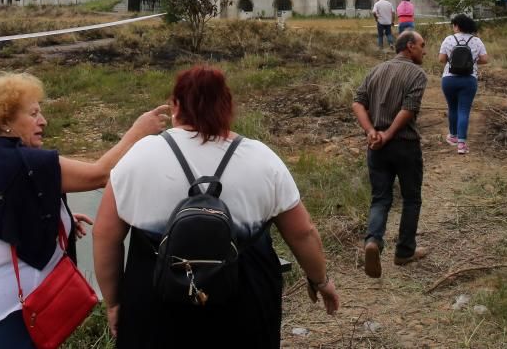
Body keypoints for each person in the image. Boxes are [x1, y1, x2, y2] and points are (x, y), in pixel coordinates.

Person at [93, 66, 338, 347]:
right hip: (243, 301)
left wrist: (114, 303)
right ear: (228, 106)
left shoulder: (139, 155)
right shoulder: (261, 158)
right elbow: (302, 232)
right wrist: (321, 281)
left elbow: (105, 236)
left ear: (175, 105)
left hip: (155, 298)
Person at [0, 73, 169, 348]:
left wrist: (58, 219)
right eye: (33, 113)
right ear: (5, 121)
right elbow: (100, 174)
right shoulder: (30, 163)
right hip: (9, 317)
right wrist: (138, 131)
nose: (43, 121)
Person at [352, 30, 428, 278]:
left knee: (380, 198)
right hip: (404, 145)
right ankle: (405, 251)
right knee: (411, 198)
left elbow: (357, 102)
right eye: (421, 46)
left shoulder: (376, 70)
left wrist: (372, 131)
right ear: (409, 46)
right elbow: (409, 109)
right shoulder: (417, 74)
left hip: (376, 147)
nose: (424, 51)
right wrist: (389, 133)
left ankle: (373, 241)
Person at [438, 14, 489, 155]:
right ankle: (461, 144)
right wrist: (471, 62)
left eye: (454, 25)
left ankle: (452, 136)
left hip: (449, 79)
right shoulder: (476, 41)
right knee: (464, 110)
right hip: (468, 79)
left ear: (457, 26)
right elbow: (485, 59)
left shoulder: (449, 39)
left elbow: (441, 59)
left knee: (452, 107)